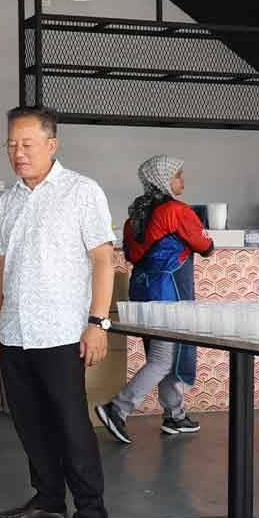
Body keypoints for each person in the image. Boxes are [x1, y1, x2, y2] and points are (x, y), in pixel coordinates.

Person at [0, 106, 113, 518]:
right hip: (15, 332)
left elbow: (103, 259)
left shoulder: (82, 192)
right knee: (29, 423)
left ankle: (91, 517)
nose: (18, 153)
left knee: (71, 427)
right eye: (11, 144)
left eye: (27, 144)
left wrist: (98, 322)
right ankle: (49, 499)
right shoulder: (7, 202)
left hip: (62, 333)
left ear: (51, 145)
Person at [96, 156, 213, 443]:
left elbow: (131, 255)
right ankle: (117, 409)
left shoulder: (133, 218)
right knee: (163, 359)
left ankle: (175, 415)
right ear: (163, 180)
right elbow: (205, 246)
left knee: (163, 356)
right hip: (168, 293)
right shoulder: (177, 211)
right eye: (178, 175)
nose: (182, 180)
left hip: (141, 291)